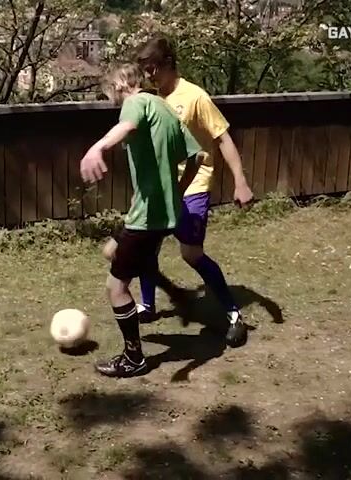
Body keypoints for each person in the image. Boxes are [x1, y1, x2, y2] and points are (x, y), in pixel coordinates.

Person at [80, 63, 201, 378]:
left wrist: (97, 147)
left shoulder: (136, 102)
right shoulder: (165, 108)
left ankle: (134, 358)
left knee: (116, 286)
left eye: (111, 94)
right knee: (111, 250)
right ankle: (173, 290)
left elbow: (127, 126)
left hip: (147, 217)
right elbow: (196, 156)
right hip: (160, 213)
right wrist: (175, 191)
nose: (113, 101)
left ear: (120, 85)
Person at [135, 35, 254, 346]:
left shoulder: (195, 97)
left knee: (191, 254)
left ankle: (233, 314)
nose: (148, 76)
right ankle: (147, 305)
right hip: (162, 187)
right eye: (145, 70)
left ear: (168, 64)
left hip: (194, 185)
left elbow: (223, 139)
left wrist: (240, 182)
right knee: (146, 247)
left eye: (152, 69)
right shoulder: (152, 98)